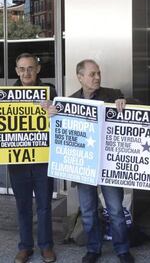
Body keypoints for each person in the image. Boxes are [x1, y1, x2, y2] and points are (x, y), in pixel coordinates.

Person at [63, 59, 135, 263]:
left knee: (116, 210)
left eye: (98, 73)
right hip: (84, 166)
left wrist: (126, 102)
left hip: (108, 164)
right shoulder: (70, 101)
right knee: (87, 211)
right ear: (80, 77)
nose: (97, 77)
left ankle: (122, 250)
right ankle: (93, 248)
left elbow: (136, 105)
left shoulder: (113, 94)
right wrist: (53, 114)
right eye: (92, 74)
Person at [10, 53, 57, 263]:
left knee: (44, 205)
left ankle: (46, 246)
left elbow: (60, 118)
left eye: (30, 68)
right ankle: (25, 247)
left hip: (42, 158)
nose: (26, 73)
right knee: (22, 205)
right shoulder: (7, 95)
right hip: (18, 159)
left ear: (38, 69)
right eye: (22, 69)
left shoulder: (50, 91)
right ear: (16, 71)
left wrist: (53, 111)